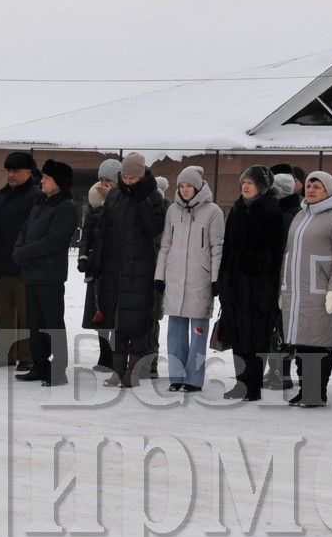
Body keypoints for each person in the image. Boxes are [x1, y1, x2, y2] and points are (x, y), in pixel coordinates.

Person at [91, 152, 166, 388]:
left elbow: (154, 230)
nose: (129, 181)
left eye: (133, 177)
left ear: (142, 176)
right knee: (118, 321)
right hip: (115, 269)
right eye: (125, 176)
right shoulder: (114, 195)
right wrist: (96, 261)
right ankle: (117, 370)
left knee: (139, 322)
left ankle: (134, 371)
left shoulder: (153, 198)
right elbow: (104, 231)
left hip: (141, 270)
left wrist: (141, 199)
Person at [280, 170, 332, 407]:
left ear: (328, 190)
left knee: (318, 344)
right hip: (297, 291)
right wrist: (284, 287)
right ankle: (305, 389)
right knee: (301, 343)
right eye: (309, 186)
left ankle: (316, 392)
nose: (310, 190)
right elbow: (289, 255)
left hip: (321, 292)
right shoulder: (301, 215)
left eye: (317, 187)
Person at [216, 166, 283, 401]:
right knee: (238, 335)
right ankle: (241, 383)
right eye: (243, 181)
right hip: (235, 283)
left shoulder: (273, 212)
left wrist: (269, 287)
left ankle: (253, 386)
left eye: (251, 183)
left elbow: (277, 254)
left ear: (262, 187)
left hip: (259, 285)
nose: (245, 186)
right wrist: (223, 280)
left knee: (256, 336)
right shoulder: (236, 209)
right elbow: (227, 249)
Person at [156, 165, 224, 393]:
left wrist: (215, 278)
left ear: (198, 186)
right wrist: (159, 276)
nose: (184, 190)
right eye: (181, 186)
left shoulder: (213, 211)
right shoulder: (172, 211)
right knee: (175, 331)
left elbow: (217, 248)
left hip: (199, 279)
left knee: (198, 333)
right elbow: (165, 245)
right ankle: (176, 377)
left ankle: (194, 379)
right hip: (175, 278)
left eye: (189, 186)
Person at [12, 159, 78, 385]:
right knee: (35, 323)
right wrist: (19, 249)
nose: (42, 181)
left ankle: (58, 370)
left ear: (59, 182)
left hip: (50, 275)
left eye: (47, 178)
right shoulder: (41, 202)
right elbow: (25, 230)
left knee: (52, 323)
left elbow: (54, 241)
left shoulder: (66, 207)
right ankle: (40, 365)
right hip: (31, 273)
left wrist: (24, 253)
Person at [0, 151, 41, 369]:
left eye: (16, 171)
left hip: (24, 267)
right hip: (1, 265)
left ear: (28, 172)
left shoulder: (37, 197)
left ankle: (26, 356)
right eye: (8, 170)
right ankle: (5, 353)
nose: (11, 175)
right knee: (3, 314)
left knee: (25, 315)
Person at [78, 158, 121, 371]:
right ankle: (104, 354)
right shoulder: (93, 204)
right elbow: (86, 234)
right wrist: (83, 257)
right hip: (96, 267)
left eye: (109, 181)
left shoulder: (121, 204)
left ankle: (114, 356)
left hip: (114, 268)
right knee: (98, 313)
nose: (104, 185)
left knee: (113, 315)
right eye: (101, 180)